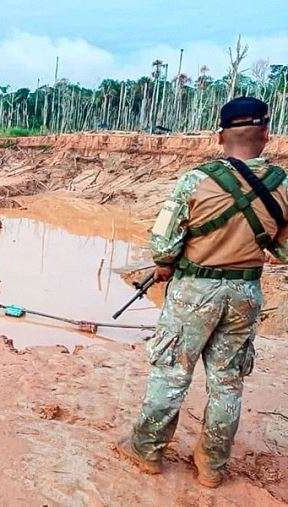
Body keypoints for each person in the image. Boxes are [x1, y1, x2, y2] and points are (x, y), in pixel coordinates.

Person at [117, 97, 288, 487]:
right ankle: (211, 466)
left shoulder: (195, 181)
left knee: (171, 373)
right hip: (245, 293)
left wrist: (169, 262)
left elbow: (163, 246)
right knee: (228, 381)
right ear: (266, 134)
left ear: (219, 136)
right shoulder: (284, 186)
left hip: (194, 291)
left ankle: (146, 450)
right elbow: (283, 250)